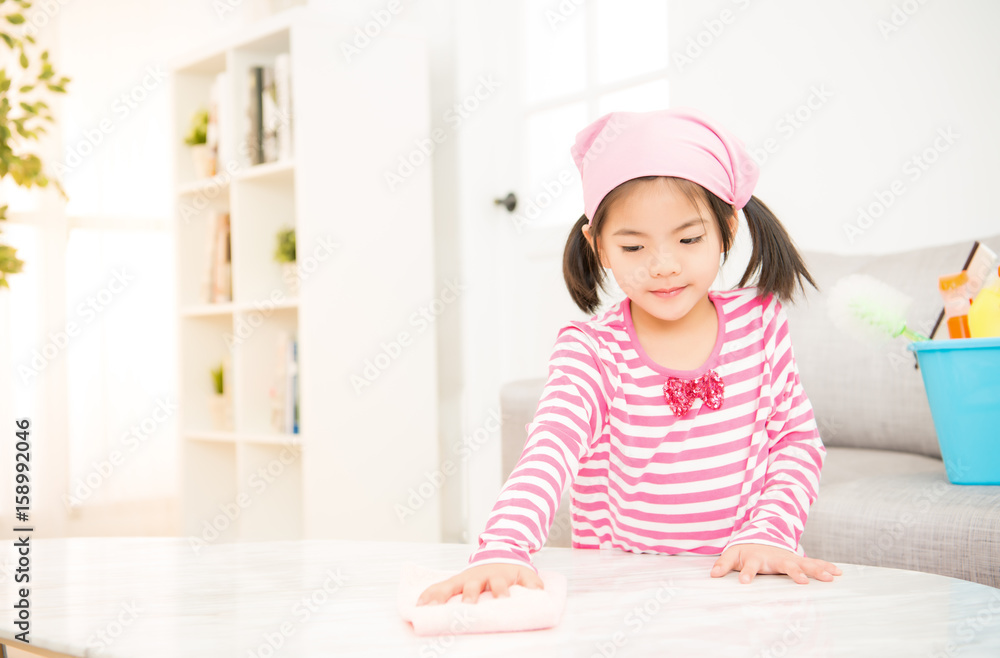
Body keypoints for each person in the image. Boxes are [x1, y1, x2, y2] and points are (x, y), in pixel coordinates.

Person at [417, 108, 841, 606]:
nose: (663, 266)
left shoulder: (760, 322)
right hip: (625, 595)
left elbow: (796, 443)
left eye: (689, 239)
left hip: (746, 580)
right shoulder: (593, 350)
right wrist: (504, 546)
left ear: (727, 226)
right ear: (599, 247)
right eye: (634, 246)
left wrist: (770, 531)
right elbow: (550, 448)